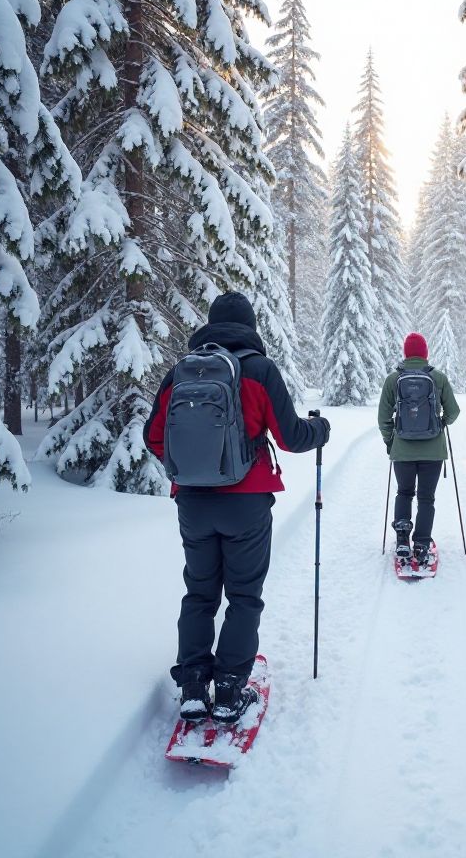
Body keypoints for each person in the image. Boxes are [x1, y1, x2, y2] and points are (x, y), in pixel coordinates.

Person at [143, 291, 330, 723]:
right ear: (250, 327)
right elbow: (292, 438)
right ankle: (228, 690)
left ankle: (193, 685)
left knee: (199, 592)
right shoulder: (260, 370)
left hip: (192, 503)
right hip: (246, 503)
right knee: (243, 596)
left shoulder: (180, 374)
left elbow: (155, 437)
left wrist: (190, 468)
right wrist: (320, 428)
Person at [377, 332, 460, 564]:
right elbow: (453, 412)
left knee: (404, 492)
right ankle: (422, 544)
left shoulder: (393, 379)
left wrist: (390, 441)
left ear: (406, 354)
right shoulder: (439, 378)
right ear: (425, 354)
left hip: (402, 451)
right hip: (433, 451)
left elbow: (383, 416)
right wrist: (440, 424)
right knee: (426, 498)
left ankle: (403, 540)